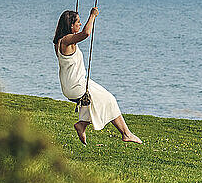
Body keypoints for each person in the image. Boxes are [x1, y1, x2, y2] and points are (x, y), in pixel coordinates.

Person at [53, 8, 142, 145]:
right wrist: (92, 16)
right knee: (109, 100)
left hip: (73, 84)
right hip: (76, 86)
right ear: (71, 25)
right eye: (78, 22)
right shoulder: (66, 41)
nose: (80, 24)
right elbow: (86, 33)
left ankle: (82, 124)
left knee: (102, 100)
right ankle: (126, 134)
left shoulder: (59, 42)